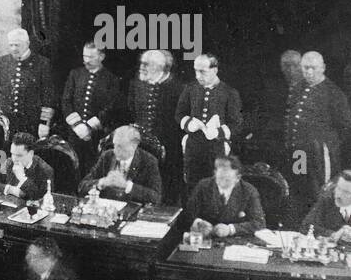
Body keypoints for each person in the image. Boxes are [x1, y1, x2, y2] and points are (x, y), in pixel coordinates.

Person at [284, 51, 351, 217]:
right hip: (299, 153)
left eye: (313, 68)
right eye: (305, 68)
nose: (309, 72)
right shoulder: (300, 89)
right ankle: (300, 225)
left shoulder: (333, 93)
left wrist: (327, 145)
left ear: (323, 68)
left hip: (320, 155)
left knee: (320, 191)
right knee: (299, 187)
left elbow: (344, 126)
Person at [177, 53, 243, 191]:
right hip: (193, 148)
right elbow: (179, 114)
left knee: (214, 188)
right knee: (192, 187)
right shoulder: (190, 89)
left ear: (214, 70)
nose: (197, 76)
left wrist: (217, 132)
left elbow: (236, 124)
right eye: (195, 71)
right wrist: (190, 123)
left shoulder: (229, 93)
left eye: (202, 72)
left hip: (216, 150)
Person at [127, 48, 184, 201]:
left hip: (168, 149)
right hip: (140, 147)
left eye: (146, 64)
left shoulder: (178, 89)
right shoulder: (135, 84)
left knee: (166, 189)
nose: (141, 67)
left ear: (160, 67)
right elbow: (131, 110)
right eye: (141, 63)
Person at [60, 42, 122, 171]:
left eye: (91, 57)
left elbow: (111, 107)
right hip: (75, 134)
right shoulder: (75, 74)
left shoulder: (111, 79)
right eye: (84, 56)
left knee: (94, 168)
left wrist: (89, 126)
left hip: (97, 136)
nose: (86, 60)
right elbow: (66, 101)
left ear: (101, 57)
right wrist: (77, 125)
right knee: (73, 167)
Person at [0, 28, 55, 140]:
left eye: (17, 45)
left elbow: (48, 96)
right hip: (5, 120)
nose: (13, 49)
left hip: (31, 121)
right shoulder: (1, 62)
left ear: (27, 44)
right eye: (11, 45)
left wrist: (44, 123)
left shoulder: (42, 63)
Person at [184, 154, 266, 240]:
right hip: (206, 239)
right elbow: (188, 214)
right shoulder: (203, 186)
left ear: (237, 178)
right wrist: (198, 223)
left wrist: (230, 229)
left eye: (227, 179)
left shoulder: (249, 191)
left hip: (236, 241)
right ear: (215, 173)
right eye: (219, 178)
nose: (222, 182)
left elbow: (259, 223)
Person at [78, 123, 162, 202]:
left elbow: (156, 197)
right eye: (114, 145)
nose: (115, 150)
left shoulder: (149, 161)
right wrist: (102, 182)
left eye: (120, 146)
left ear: (134, 146)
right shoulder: (107, 156)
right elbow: (82, 186)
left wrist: (126, 186)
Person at [0, 132, 55, 201]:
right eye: (12, 154)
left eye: (19, 155)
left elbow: (41, 200)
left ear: (31, 153)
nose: (14, 159)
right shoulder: (9, 162)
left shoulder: (45, 170)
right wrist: (11, 190)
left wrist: (22, 178)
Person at [302, 168, 351, 243]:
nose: (339, 194)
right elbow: (306, 225)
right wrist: (333, 234)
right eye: (338, 188)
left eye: (346, 192)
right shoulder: (327, 200)